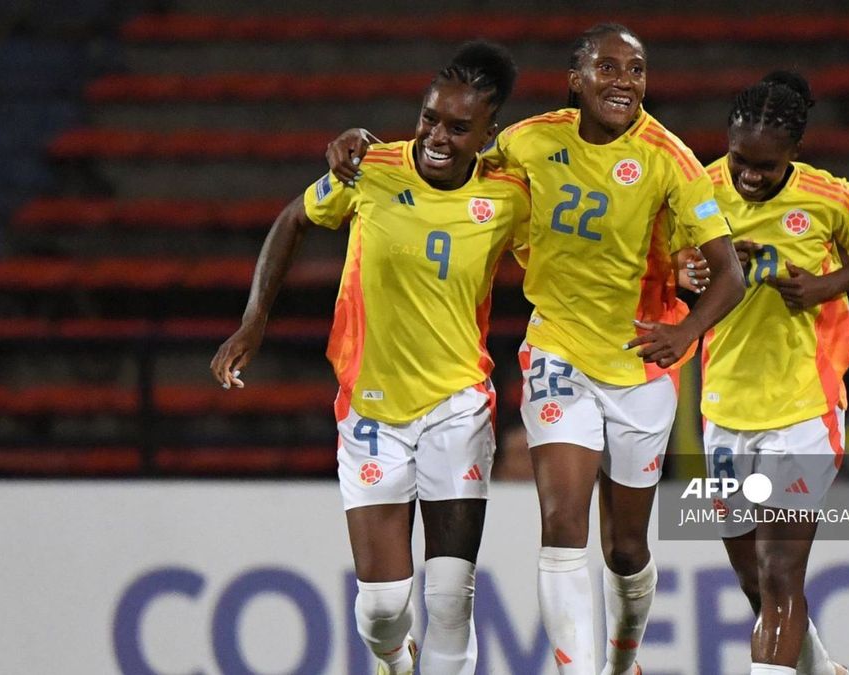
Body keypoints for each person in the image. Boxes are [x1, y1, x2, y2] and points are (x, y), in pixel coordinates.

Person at [327, 23, 745, 675]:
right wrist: (365, 147)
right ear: (575, 79)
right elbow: (445, 164)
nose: (623, 82)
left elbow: (729, 272)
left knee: (627, 548)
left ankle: (623, 653)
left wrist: (686, 322)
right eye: (607, 68)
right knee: (560, 522)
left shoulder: (670, 158)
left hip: (641, 360)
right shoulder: (527, 143)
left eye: (635, 71)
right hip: (558, 353)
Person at [212, 42, 528, 675]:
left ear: (488, 134)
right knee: (384, 610)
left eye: (458, 127)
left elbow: (568, 262)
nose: (437, 136)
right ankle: (392, 659)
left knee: (449, 600)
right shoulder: (370, 169)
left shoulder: (512, 195)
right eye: (429, 118)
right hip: (371, 410)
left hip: (458, 406)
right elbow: (293, 219)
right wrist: (254, 320)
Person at [681, 72, 849, 675]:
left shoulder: (829, 198)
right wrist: (694, 275)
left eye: (765, 167)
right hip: (723, 409)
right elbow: (672, 266)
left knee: (780, 573)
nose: (749, 175)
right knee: (753, 580)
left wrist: (824, 286)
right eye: (739, 160)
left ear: (793, 155)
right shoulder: (696, 191)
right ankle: (821, 669)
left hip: (803, 408)